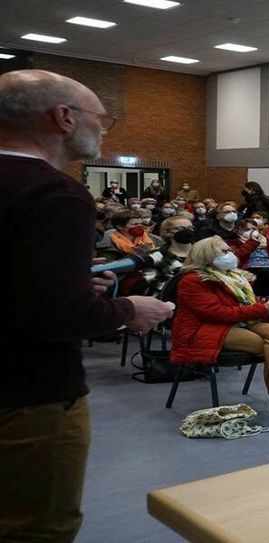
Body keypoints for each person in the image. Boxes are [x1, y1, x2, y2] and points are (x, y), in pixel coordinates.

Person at [0, 69, 173, 541]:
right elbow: (57, 318)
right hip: (26, 395)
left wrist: (68, 287)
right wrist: (131, 310)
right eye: (102, 118)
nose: (103, 128)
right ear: (63, 117)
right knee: (34, 529)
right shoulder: (54, 193)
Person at [172, 237, 269, 420]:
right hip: (205, 330)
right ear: (206, 255)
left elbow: (238, 306)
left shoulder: (235, 276)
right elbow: (216, 313)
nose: (231, 254)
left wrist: (259, 304)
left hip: (239, 323)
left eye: (229, 250)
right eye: (224, 251)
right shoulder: (192, 281)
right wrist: (262, 308)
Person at [155, 215, 195, 281]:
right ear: (167, 233)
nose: (187, 231)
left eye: (190, 228)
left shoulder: (204, 251)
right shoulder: (158, 255)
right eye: (181, 228)